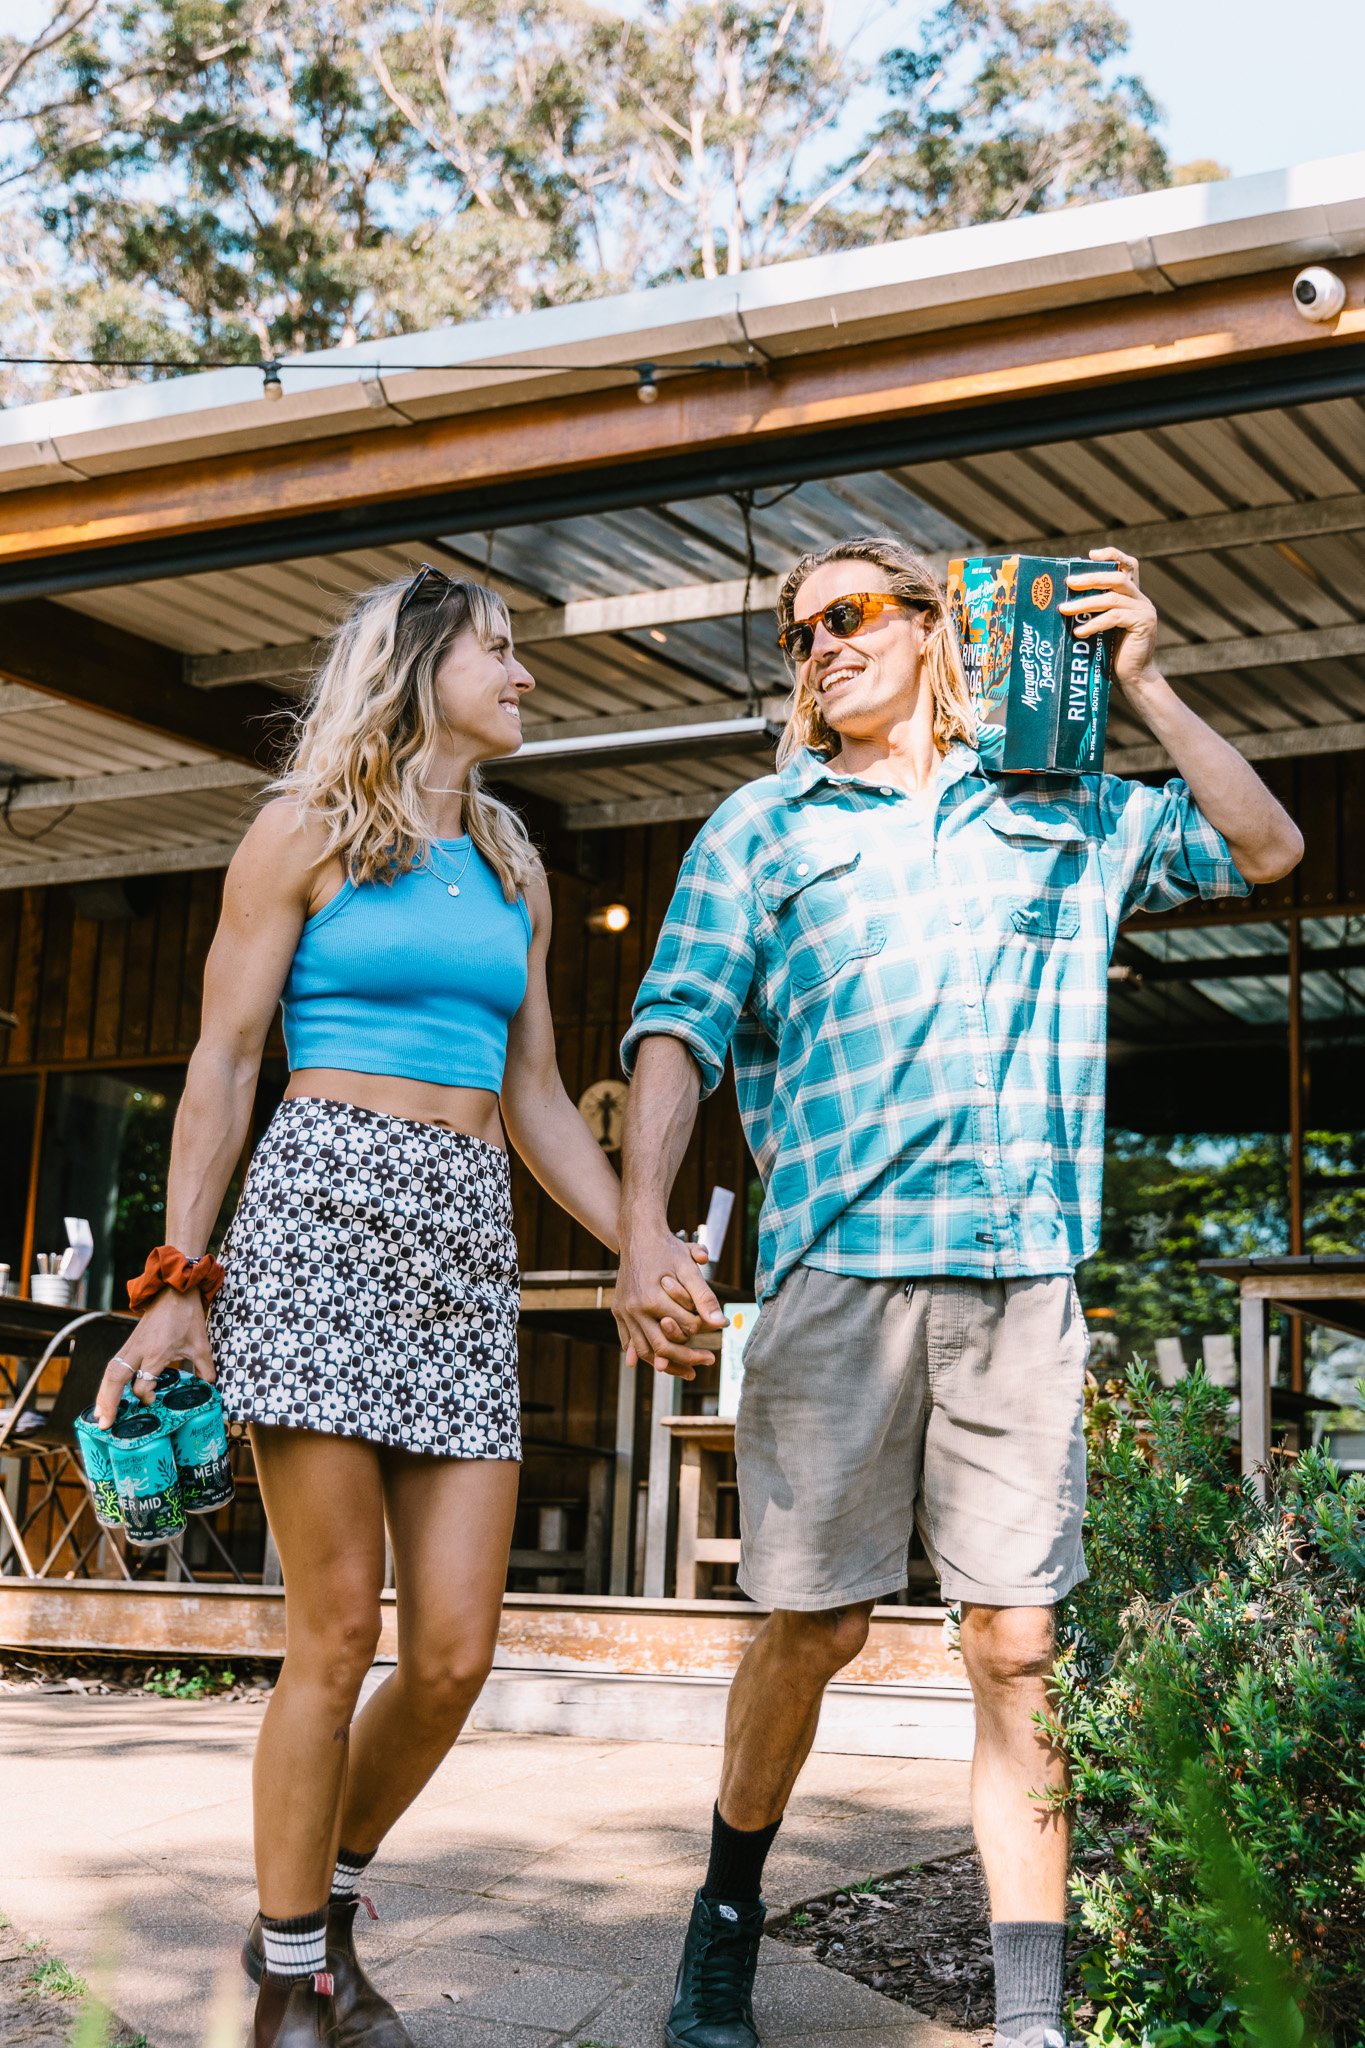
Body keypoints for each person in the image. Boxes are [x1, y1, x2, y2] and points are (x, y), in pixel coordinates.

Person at [612, 539, 1303, 2048]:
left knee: (1014, 1643)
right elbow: (676, 1028)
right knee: (811, 1628)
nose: (820, 647)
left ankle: (1032, 2016)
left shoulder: (1061, 811)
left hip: (1017, 1280)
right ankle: (720, 1935)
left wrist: (1149, 682)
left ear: (941, 631)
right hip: (830, 1280)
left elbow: (1263, 848)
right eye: (797, 633)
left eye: (850, 616)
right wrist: (641, 1228)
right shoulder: (758, 827)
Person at [93, 566, 627, 2048]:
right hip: (318, 1220)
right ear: (415, 667)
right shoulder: (302, 833)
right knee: (333, 1632)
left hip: (461, 1246)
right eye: (502, 655)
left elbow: (531, 1094)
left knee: (453, 1650)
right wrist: (177, 1284)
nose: (525, 679)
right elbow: (221, 1063)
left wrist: (642, 1238)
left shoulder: (515, 864)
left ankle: (321, 1904)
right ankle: (284, 1981)